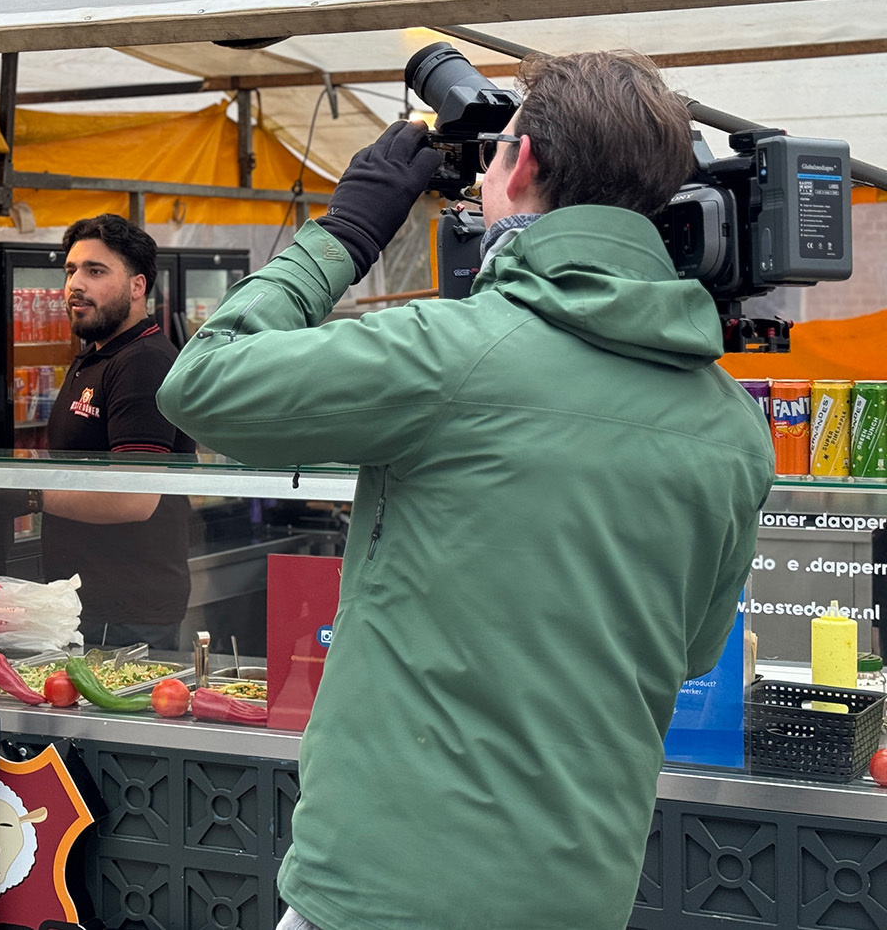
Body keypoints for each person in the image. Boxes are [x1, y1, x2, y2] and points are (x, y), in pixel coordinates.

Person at [156, 51, 774, 930]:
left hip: (384, 890)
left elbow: (201, 383)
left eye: (492, 161)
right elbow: (691, 650)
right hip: (579, 893)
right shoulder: (733, 426)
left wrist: (343, 235)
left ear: (519, 164)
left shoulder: (449, 354)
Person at [37, 214, 196, 649]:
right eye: (70, 271)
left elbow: (133, 497)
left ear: (137, 286)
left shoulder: (143, 362)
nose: (75, 284)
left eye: (95, 270)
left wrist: (30, 495)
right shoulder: (97, 357)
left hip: (125, 613)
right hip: (87, 602)